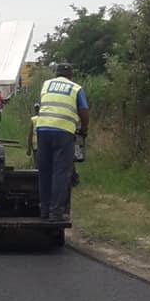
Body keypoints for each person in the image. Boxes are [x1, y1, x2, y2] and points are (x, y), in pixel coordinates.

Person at [35, 62, 89, 221]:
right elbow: (84, 112)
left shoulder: (46, 85)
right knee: (60, 172)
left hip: (42, 130)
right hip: (63, 132)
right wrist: (84, 129)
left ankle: (44, 210)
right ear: (71, 75)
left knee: (44, 171)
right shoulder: (76, 88)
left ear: (56, 74)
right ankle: (56, 213)